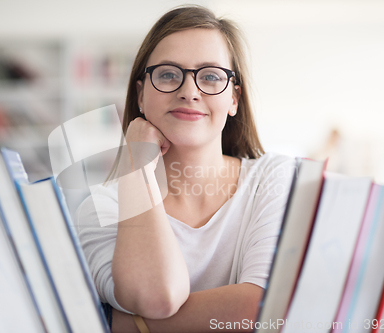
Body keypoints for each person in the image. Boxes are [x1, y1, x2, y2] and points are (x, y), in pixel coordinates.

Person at [75, 5, 296, 332]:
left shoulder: (275, 178)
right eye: (167, 74)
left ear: (234, 98)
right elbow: (157, 297)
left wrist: (124, 323)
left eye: (210, 76)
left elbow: (261, 310)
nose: (189, 91)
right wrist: (136, 165)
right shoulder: (102, 208)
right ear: (140, 94)